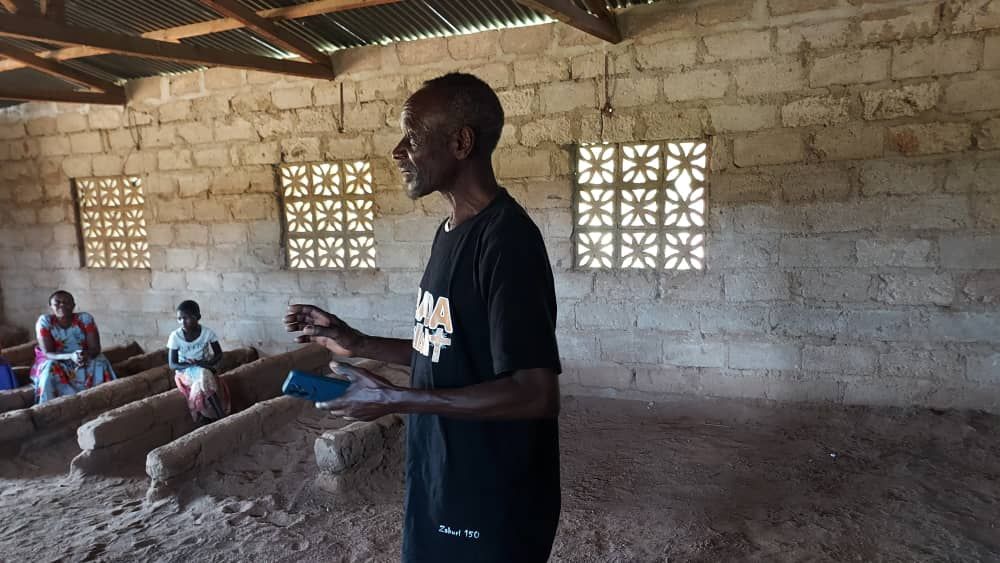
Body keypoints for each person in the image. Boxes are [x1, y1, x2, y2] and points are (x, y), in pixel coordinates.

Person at [285, 73, 562, 563]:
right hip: (441, 472)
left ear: (461, 142)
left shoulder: (507, 242)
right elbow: (444, 355)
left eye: (412, 137)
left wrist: (393, 397)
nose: (397, 151)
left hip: (493, 491)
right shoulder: (450, 231)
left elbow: (535, 393)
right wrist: (359, 341)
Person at [31, 290, 116, 403]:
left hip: (83, 357)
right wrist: (70, 356)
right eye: (57, 303)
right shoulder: (45, 321)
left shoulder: (85, 319)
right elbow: (48, 353)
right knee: (50, 367)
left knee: (99, 361)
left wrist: (85, 355)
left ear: (73, 306)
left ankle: (101, 400)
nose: (62, 305)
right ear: (50, 306)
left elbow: (95, 348)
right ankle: (48, 404)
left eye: (67, 302)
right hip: (58, 359)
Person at [167, 300, 228, 423]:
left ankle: (208, 417)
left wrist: (208, 364)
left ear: (198, 317)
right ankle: (221, 416)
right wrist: (195, 364)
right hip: (185, 372)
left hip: (204, 367)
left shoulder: (207, 333)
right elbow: (173, 364)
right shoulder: (175, 336)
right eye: (180, 319)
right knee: (204, 375)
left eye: (187, 318)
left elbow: (219, 354)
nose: (183, 322)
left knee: (203, 377)